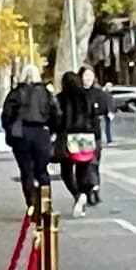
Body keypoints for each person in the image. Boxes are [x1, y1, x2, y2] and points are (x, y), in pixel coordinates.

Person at [1, 64, 59, 209]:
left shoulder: (15, 93)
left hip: (21, 134)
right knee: (42, 170)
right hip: (41, 132)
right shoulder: (46, 93)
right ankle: (46, 203)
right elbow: (56, 113)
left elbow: (7, 115)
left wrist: (10, 131)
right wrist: (51, 130)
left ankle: (31, 203)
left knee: (26, 170)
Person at [58, 65, 106, 210]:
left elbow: (57, 118)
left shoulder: (60, 98)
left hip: (68, 135)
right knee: (83, 167)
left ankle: (78, 194)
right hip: (85, 135)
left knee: (66, 170)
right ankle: (85, 192)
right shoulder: (86, 97)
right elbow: (93, 115)